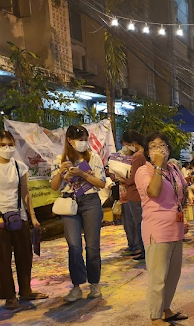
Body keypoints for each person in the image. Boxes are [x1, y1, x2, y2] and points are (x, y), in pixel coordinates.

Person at [135, 133, 191, 326]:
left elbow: (182, 190)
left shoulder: (174, 168)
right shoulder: (144, 171)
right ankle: (155, 319)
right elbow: (154, 192)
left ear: (168, 148)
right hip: (157, 229)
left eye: (162, 145)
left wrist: (185, 206)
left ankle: (165, 309)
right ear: (147, 152)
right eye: (153, 146)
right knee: (158, 276)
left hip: (175, 227)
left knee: (173, 274)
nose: (158, 149)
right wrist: (158, 167)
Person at [50, 125, 107, 303]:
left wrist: (82, 173)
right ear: (69, 140)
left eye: (85, 140)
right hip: (69, 203)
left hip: (90, 202)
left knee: (92, 246)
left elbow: (101, 183)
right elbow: (54, 186)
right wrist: (61, 173)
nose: (83, 143)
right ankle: (76, 286)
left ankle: (94, 283)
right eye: (79, 140)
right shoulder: (60, 160)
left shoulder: (93, 157)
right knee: (74, 245)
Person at [0, 131, 48, 309]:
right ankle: (9, 295)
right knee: (3, 258)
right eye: (3, 145)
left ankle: (26, 291)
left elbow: (26, 193)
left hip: (18, 216)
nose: (7, 148)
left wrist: (32, 217)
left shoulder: (19, 166)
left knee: (25, 255)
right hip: (1, 219)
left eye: (10, 145)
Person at [121, 130, 146, 261]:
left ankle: (143, 250)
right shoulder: (145, 154)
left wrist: (122, 179)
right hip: (141, 193)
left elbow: (133, 178)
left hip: (135, 193)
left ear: (133, 143)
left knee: (139, 223)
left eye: (126, 144)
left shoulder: (137, 156)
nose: (126, 147)